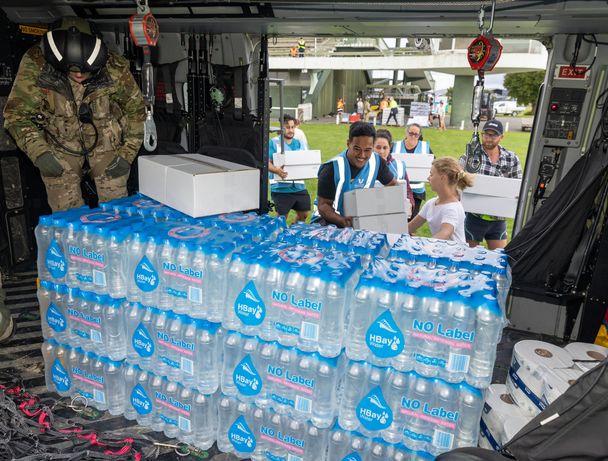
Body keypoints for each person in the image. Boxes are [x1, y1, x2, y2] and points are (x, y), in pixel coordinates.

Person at [3, 16, 145, 212]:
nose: (79, 75)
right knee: (66, 214)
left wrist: (127, 154)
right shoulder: (37, 64)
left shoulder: (114, 67)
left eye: (86, 71)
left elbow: (136, 111)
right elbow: (15, 116)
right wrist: (39, 153)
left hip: (105, 140)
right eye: (73, 71)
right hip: (60, 143)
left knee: (117, 209)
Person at [312, 122, 399, 227]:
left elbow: (393, 186)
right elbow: (323, 206)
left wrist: (384, 209)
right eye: (357, 149)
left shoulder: (377, 161)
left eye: (367, 150)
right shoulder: (331, 168)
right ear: (348, 144)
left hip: (359, 220)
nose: (362, 155)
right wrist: (344, 222)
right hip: (327, 221)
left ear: (372, 147)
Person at [459, 119, 523, 249]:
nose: (488, 138)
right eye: (486, 134)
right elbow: (455, 179)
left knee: (499, 258)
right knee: (466, 257)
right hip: (473, 217)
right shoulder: (470, 156)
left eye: (493, 135)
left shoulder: (511, 158)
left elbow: (519, 186)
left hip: (498, 219)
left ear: (501, 137)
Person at [409, 158, 473, 243]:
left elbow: (444, 234)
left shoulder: (452, 208)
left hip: (454, 255)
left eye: (431, 174)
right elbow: (409, 228)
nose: (428, 178)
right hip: (440, 251)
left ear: (443, 178)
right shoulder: (431, 203)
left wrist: (424, 245)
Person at [268, 114, 311, 222]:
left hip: (299, 186)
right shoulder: (273, 142)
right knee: (282, 218)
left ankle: (294, 231)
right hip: (280, 187)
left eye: (292, 127)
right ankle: (277, 234)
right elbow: (267, 163)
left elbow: (307, 160)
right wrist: (276, 170)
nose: (291, 130)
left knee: (304, 214)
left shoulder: (300, 143)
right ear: (281, 127)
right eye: (287, 127)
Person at [392, 123, 433, 217]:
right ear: (406, 133)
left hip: (417, 190)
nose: (413, 136)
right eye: (411, 133)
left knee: (412, 218)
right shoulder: (395, 145)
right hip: (398, 187)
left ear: (419, 136)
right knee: (398, 217)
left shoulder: (424, 147)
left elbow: (434, 162)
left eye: (416, 134)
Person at [374, 129, 415, 215]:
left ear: (390, 147)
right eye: (378, 147)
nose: (381, 151)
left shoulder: (399, 165)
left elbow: (407, 190)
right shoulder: (365, 165)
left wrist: (410, 203)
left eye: (385, 148)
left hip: (394, 212)